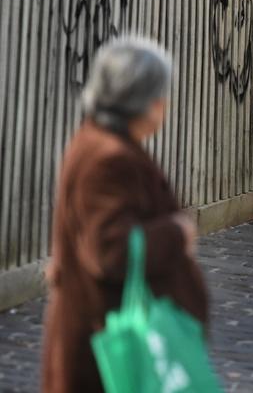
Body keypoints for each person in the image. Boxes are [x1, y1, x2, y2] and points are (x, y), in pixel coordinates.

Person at [42, 37, 209, 392]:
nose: (165, 103)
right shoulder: (109, 159)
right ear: (144, 103)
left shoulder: (100, 143)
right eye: (160, 95)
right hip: (111, 355)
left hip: (107, 338)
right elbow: (112, 250)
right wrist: (177, 231)